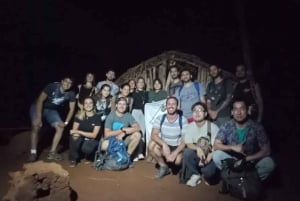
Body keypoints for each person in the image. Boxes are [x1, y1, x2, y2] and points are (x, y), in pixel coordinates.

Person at [212, 99, 275, 181]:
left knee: (269, 163)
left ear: (248, 110)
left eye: (242, 108)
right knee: (217, 155)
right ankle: (233, 179)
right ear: (232, 112)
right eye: (235, 109)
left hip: (251, 161)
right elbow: (216, 145)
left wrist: (245, 160)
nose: (238, 112)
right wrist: (232, 147)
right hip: (233, 161)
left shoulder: (256, 126)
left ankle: (247, 180)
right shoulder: (226, 125)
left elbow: (266, 150)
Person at [28, 76, 76, 162]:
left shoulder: (71, 94)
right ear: (62, 81)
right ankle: (33, 152)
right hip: (38, 106)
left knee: (61, 127)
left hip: (51, 110)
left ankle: (52, 153)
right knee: (36, 125)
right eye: (66, 81)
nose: (67, 84)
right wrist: (39, 118)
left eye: (70, 83)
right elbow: (40, 100)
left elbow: (71, 109)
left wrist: (65, 123)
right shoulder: (52, 87)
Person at [148, 97, 188, 179]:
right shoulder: (160, 118)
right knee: (151, 145)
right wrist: (164, 145)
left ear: (177, 106)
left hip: (177, 146)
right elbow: (153, 134)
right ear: (166, 106)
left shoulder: (183, 120)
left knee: (178, 161)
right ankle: (164, 166)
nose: (171, 106)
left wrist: (175, 153)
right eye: (169, 104)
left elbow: (184, 140)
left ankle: (177, 168)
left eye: (173, 104)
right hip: (165, 145)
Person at [181, 101, 219, 187]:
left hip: (209, 156)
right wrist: (198, 149)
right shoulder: (190, 126)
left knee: (209, 173)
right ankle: (196, 174)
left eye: (200, 110)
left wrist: (208, 158)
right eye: (194, 111)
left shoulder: (212, 127)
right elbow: (189, 143)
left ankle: (206, 173)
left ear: (205, 114)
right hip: (198, 155)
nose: (197, 113)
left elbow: (216, 146)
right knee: (187, 152)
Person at [101, 97, 141, 166]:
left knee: (137, 134)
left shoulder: (128, 115)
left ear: (126, 106)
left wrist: (124, 132)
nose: (122, 106)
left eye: (124, 104)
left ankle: (127, 157)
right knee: (104, 145)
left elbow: (138, 128)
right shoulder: (111, 116)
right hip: (111, 141)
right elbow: (107, 134)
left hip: (123, 140)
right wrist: (122, 130)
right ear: (116, 105)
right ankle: (111, 155)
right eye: (120, 104)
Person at [69, 97, 101, 167]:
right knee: (75, 136)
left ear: (94, 105)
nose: (88, 105)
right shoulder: (78, 115)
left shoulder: (97, 117)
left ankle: (88, 156)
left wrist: (80, 132)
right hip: (81, 139)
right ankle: (73, 159)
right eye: (86, 103)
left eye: (90, 103)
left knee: (87, 148)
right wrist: (78, 133)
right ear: (83, 105)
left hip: (92, 140)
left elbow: (94, 135)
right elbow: (74, 131)